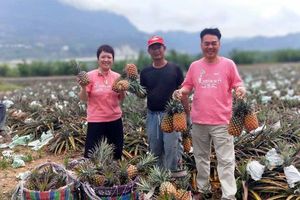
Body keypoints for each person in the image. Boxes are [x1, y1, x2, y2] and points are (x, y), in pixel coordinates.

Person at [173, 28, 246, 200]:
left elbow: (238, 84)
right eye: (207, 43)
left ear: (219, 44)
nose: (210, 46)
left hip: (222, 121)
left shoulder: (228, 64)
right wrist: (180, 92)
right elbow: (188, 86)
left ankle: (228, 195)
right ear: (201, 45)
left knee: (226, 160)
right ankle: (204, 190)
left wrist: (241, 89)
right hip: (199, 121)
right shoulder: (195, 66)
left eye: (214, 43)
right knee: (201, 158)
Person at [140, 35, 186, 171]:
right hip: (152, 115)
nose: (156, 50)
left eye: (158, 47)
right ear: (149, 51)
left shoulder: (174, 69)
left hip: (172, 115)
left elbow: (182, 93)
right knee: (155, 148)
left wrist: (186, 115)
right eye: (152, 48)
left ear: (164, 48)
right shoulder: (145, 72)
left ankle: (175, 177)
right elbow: (142, 93)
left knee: (172, 148)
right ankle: (159, 180)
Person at [78, 44, 125, 160]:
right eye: (103, 57)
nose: (106, 60)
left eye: (109, 57)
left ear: (113, 59)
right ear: (98, 59)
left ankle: (113, 176)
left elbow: (121, 99)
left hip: (115, 120)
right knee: (91, 154)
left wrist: (123, 90)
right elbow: (84, 99)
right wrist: (83, 87)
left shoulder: (117, 77)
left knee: (116, 153)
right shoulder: (89, 76)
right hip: (96, 121)